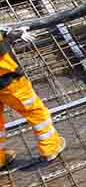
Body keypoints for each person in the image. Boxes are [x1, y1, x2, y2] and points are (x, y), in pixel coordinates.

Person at [0, 27, 66, 167]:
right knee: (36, 113)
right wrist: (11, 36)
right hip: (8, 82)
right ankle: (50, 148)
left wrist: (7, 32)